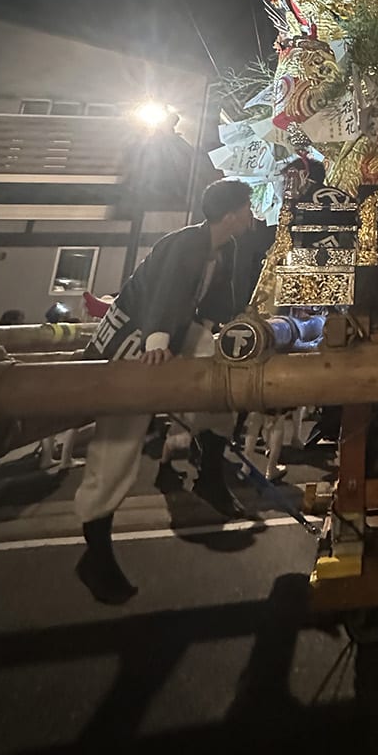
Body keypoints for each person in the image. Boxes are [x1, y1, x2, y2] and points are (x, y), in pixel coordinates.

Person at [74, 178, 255, 605]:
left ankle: (210, 473)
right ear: (231, 214)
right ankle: (96, 549)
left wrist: (222, 328)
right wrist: (157, 341)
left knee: (220, 373)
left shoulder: (225, 248)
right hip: (133, 337)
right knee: (120, 438)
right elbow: (163, 292)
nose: (252, 214)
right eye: (248, 207)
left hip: (175, 331)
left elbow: (216, 306)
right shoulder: (185, 242)